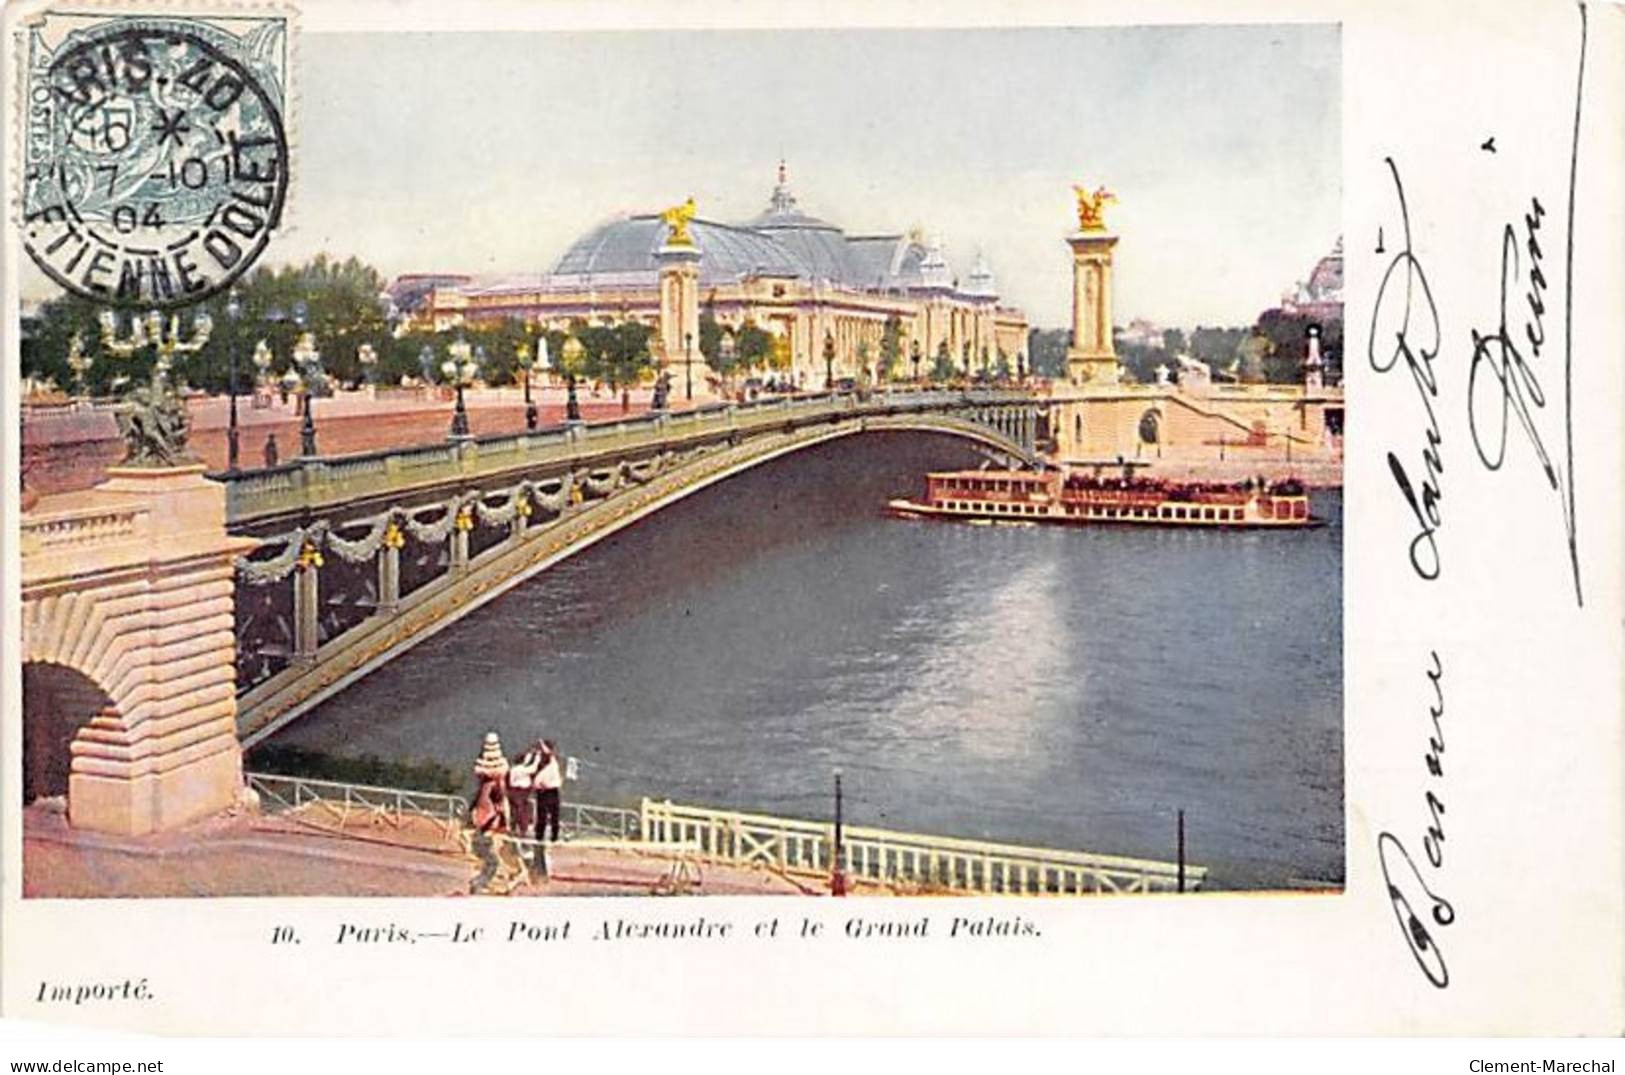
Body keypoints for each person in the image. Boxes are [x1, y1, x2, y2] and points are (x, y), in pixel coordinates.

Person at [534, 739, 563, 843]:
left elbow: (549, 753)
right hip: (542, 791)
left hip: (552, 790)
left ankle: (554, 836)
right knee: (541, 815)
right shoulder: (539, 764)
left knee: (554, 814)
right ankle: (539, 836)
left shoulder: (553, 763)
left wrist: (542, 744)